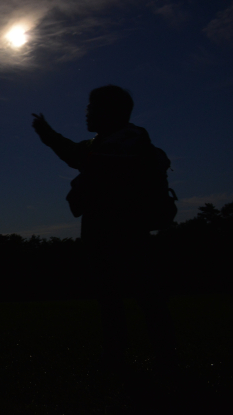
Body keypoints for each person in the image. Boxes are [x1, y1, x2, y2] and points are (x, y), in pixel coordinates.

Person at [31, 84, 177, 373]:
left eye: (92, 108)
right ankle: (119, 355)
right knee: (112, 296)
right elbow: (78, 154)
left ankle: (162, 357)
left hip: (126, 230)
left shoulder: (130, 142)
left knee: (144, 295)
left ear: (112, 112)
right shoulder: (105, 142)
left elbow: (78, 157)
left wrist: (46, 134)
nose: (87, 114)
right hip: (103, 229)